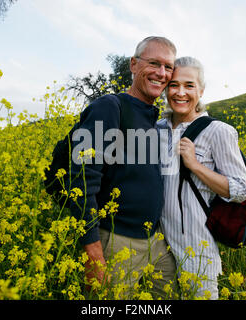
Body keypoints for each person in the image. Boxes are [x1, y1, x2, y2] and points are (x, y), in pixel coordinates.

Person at [66, 36, 178, 299]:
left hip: (156, 241)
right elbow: (82, 180)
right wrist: (93, 251)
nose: (161, 73)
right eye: (153, 63)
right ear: (133, 65)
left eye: (168, 67)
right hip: (116, 241)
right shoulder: (110, 107)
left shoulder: (157, 120)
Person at [157, 56, 246, 299]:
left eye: (189, 85)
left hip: (197, 249)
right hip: (158, 247)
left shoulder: (218, 131)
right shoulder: (156, 129)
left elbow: (241, 189)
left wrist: (195, 165)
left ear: (201, 89)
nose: (180, 93)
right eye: (174, 85)